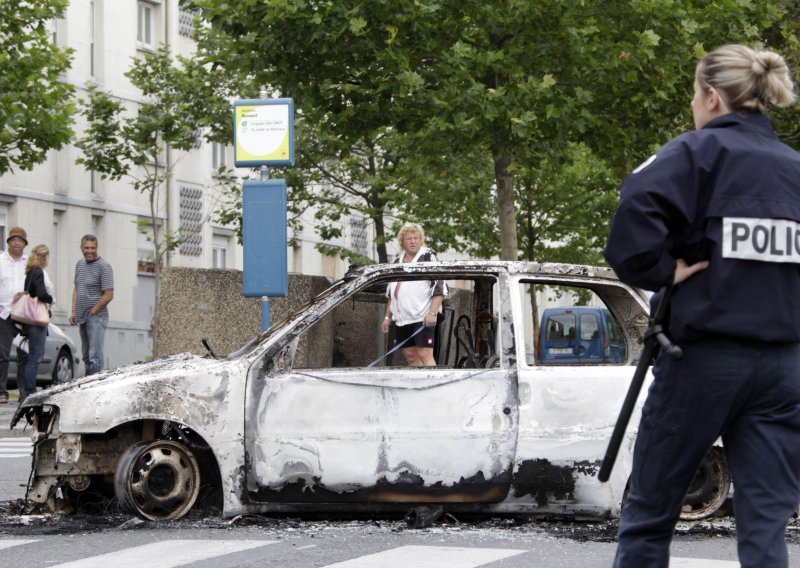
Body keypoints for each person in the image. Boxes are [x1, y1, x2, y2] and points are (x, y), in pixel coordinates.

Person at [605, 44, 800, 568]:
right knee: (765, 527)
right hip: (784, 368)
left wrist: (663, 270)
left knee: (650, 514)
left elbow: (632, 224)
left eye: (695, 94)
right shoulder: (795, 170)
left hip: (702, 360)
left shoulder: (694, 154)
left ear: (712, 97)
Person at [380, 222, 446, 366]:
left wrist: (432, 313)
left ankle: (435, 387)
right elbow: (392, 293)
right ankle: (419, 387)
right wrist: (387, 317)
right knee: (411, 357)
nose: (413, 241)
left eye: (416, 238)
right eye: (409, 239)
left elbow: (440, 287)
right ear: (402, 242)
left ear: (421, 240)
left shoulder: (427, 256)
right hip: (401, 319)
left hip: (421, 317)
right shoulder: (397, 261)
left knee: (425, 354)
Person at [69, 235, 114, 376]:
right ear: (81, 248)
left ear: (97, 248)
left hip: (97, 317)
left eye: (92, 248)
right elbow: (77, 288)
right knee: (86, 357)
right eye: (86, 247)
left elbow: (109, 294)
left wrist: (93, 311)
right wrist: (74, 311)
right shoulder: (79, 264)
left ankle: (94, 387)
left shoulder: (104, 267)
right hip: (82, 317)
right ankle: (88, 386)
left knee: (95, 357)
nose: (89, 251)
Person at [18, 245, 54, 403]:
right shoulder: (38, 272)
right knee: (35, 357)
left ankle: (26, 390)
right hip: (37, 319)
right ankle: (30, 390)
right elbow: (40, 293)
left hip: (29, 319)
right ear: (44, 257)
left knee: (30, 356)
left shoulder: (30, 272)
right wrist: (50, 298)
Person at [0, 227, 29, 403]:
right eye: (13, 240)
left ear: (24, 244)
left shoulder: (30, 262)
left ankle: (23, 392)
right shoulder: (1, 260)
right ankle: (1, 392)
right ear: (8, 242)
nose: (16, 243)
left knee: (24, 354)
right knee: (2, 354)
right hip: (4, 314)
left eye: (20, 240)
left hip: (25, 316)